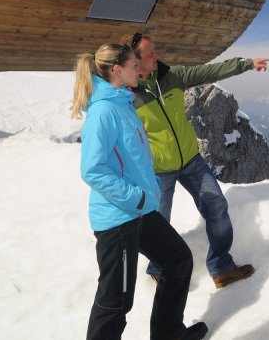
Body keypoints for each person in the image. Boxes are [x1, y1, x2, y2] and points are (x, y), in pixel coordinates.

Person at [71, 43, 207, 340]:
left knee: (178, 260)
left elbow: (134, 158)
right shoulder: (103, 112)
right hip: (119, 218)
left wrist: (150, 190)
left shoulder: (123, 103)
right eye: (135, 65)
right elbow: (92, 170)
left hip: (140, 211)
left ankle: (168, 334)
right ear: (117, 70)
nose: (140, 70)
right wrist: (137, 196)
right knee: (116, 301)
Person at [121, 32, 269, 289]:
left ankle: (221, 267)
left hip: (191, 161)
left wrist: (245, 64)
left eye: (156, 50)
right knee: (159, 224)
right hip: (158, 170)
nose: (157, 56)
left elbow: (209, 72)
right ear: (134, 60)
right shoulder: (126, 96)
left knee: (216, 208)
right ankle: (158, 269)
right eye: (150, 53)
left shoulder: (172, 76)